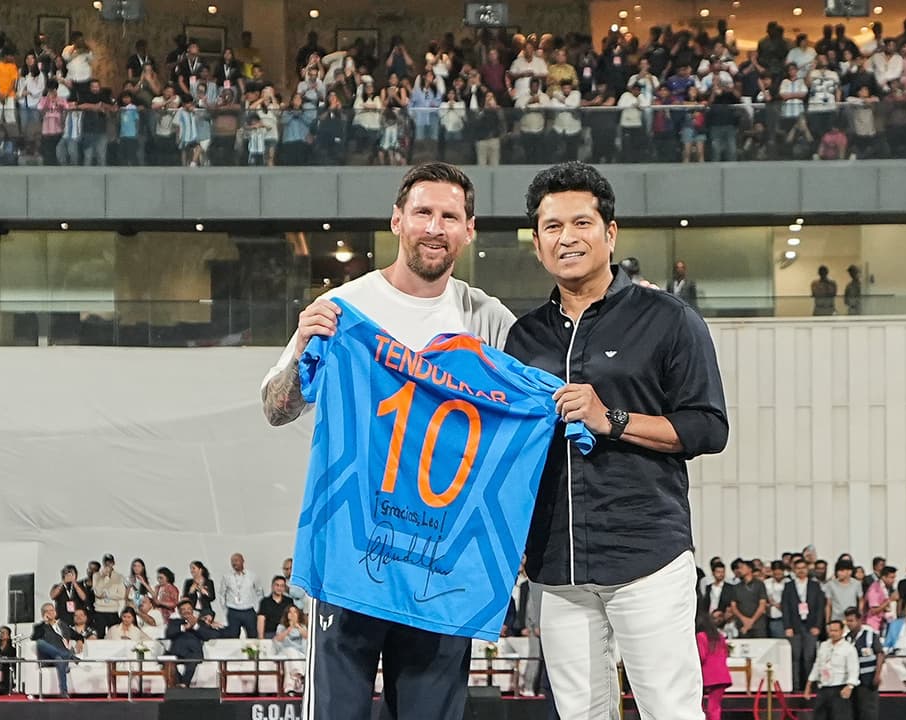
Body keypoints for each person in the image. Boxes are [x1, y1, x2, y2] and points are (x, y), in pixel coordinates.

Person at [260, 162, 516, 720]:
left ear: (469, 230)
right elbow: (276, 409)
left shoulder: (489, 320)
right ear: (397, 220)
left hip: (440, 562)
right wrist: (303, 345)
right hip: (352, 554)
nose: (435, 227)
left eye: (450, 216)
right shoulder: (344, 308)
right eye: (423, 212)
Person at [505, 161, 729, 720]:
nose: (567, 237)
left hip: (646, 557)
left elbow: (707, 427)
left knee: (670, 711)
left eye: (581, 223)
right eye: (552, 227)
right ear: (537, 243)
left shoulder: (669, 319)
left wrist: (612, 419)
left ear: (610, 232)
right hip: (557, 567)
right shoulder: (523, 336)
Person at [784, 558, 829, 687]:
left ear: (808, 569)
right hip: (795, 626)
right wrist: (787, 626)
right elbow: (785, 607)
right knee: (795, 657)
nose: (801, 571)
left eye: (803, 568)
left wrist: (818, 626)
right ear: (794, 570)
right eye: (798, 568)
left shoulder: (815, 585)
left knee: (810, 656)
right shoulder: (789, 586)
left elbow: (820, 608)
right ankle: (795, 685)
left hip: (811, 626)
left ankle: (809, 685)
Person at [805, 620, 859, 720]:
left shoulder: (849, 648)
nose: (833, 633)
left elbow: (854, 669)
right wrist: (809, 684)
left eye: (835, 631)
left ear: (842, 631)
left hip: (839, 688)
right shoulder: (823, 646)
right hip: (823, 688)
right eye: (831, 631)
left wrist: (850, 686)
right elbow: (817, 665)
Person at [31, 602, 82, 697]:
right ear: (43, 614)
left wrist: (79, 641)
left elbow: (78, 635)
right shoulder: (40, 627)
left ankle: (64, 692)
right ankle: (69, 656)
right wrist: (45, 623)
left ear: (55, 612)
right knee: (40, 643)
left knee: (59, 659)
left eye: (52, 610)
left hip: (59, 657)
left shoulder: (63, 625)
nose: (50, 612)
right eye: (47, 611)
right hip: (48, 657)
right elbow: (34, 638)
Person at [165, 600, 217, 687]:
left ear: (192, 610)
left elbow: (208, 636)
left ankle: (184, 684)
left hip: (193, 653)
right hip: (177, 652)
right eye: (183, 609)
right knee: (166, 660)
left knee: (192, 660)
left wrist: (195, 626)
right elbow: (169, 633)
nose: (186, 611)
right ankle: (178, 684)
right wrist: (184, 627)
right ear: (180, 612)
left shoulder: (200, 623)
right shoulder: (175, 622)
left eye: (189, 609)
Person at [844, 609, 882, 720]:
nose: (849, 624)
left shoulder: (870, 636)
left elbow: (880, 654)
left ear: (859, 620)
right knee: (854, 711)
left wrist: (877, 675)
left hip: (868, 679)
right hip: (852, 681)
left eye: (851, 621)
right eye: (847, 621)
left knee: (868, 710)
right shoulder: (846, 638)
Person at [697, 610, 731, 720]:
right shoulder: (719, 636)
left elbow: (701, 656)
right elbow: (726, 653)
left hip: (708, 675)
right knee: (715, 707)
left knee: (699, 705)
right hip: (722, 675)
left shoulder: (701, 636)